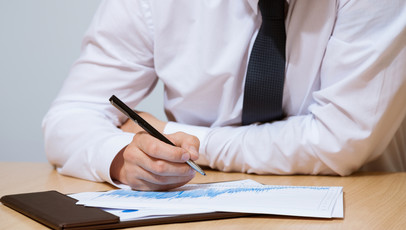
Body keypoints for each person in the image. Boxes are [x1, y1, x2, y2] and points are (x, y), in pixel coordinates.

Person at [42, 0, 406, 191]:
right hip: (199, 204)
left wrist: (187, 137)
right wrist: (122, 158)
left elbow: (340, 141)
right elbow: (71, 115)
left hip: (358, 205)